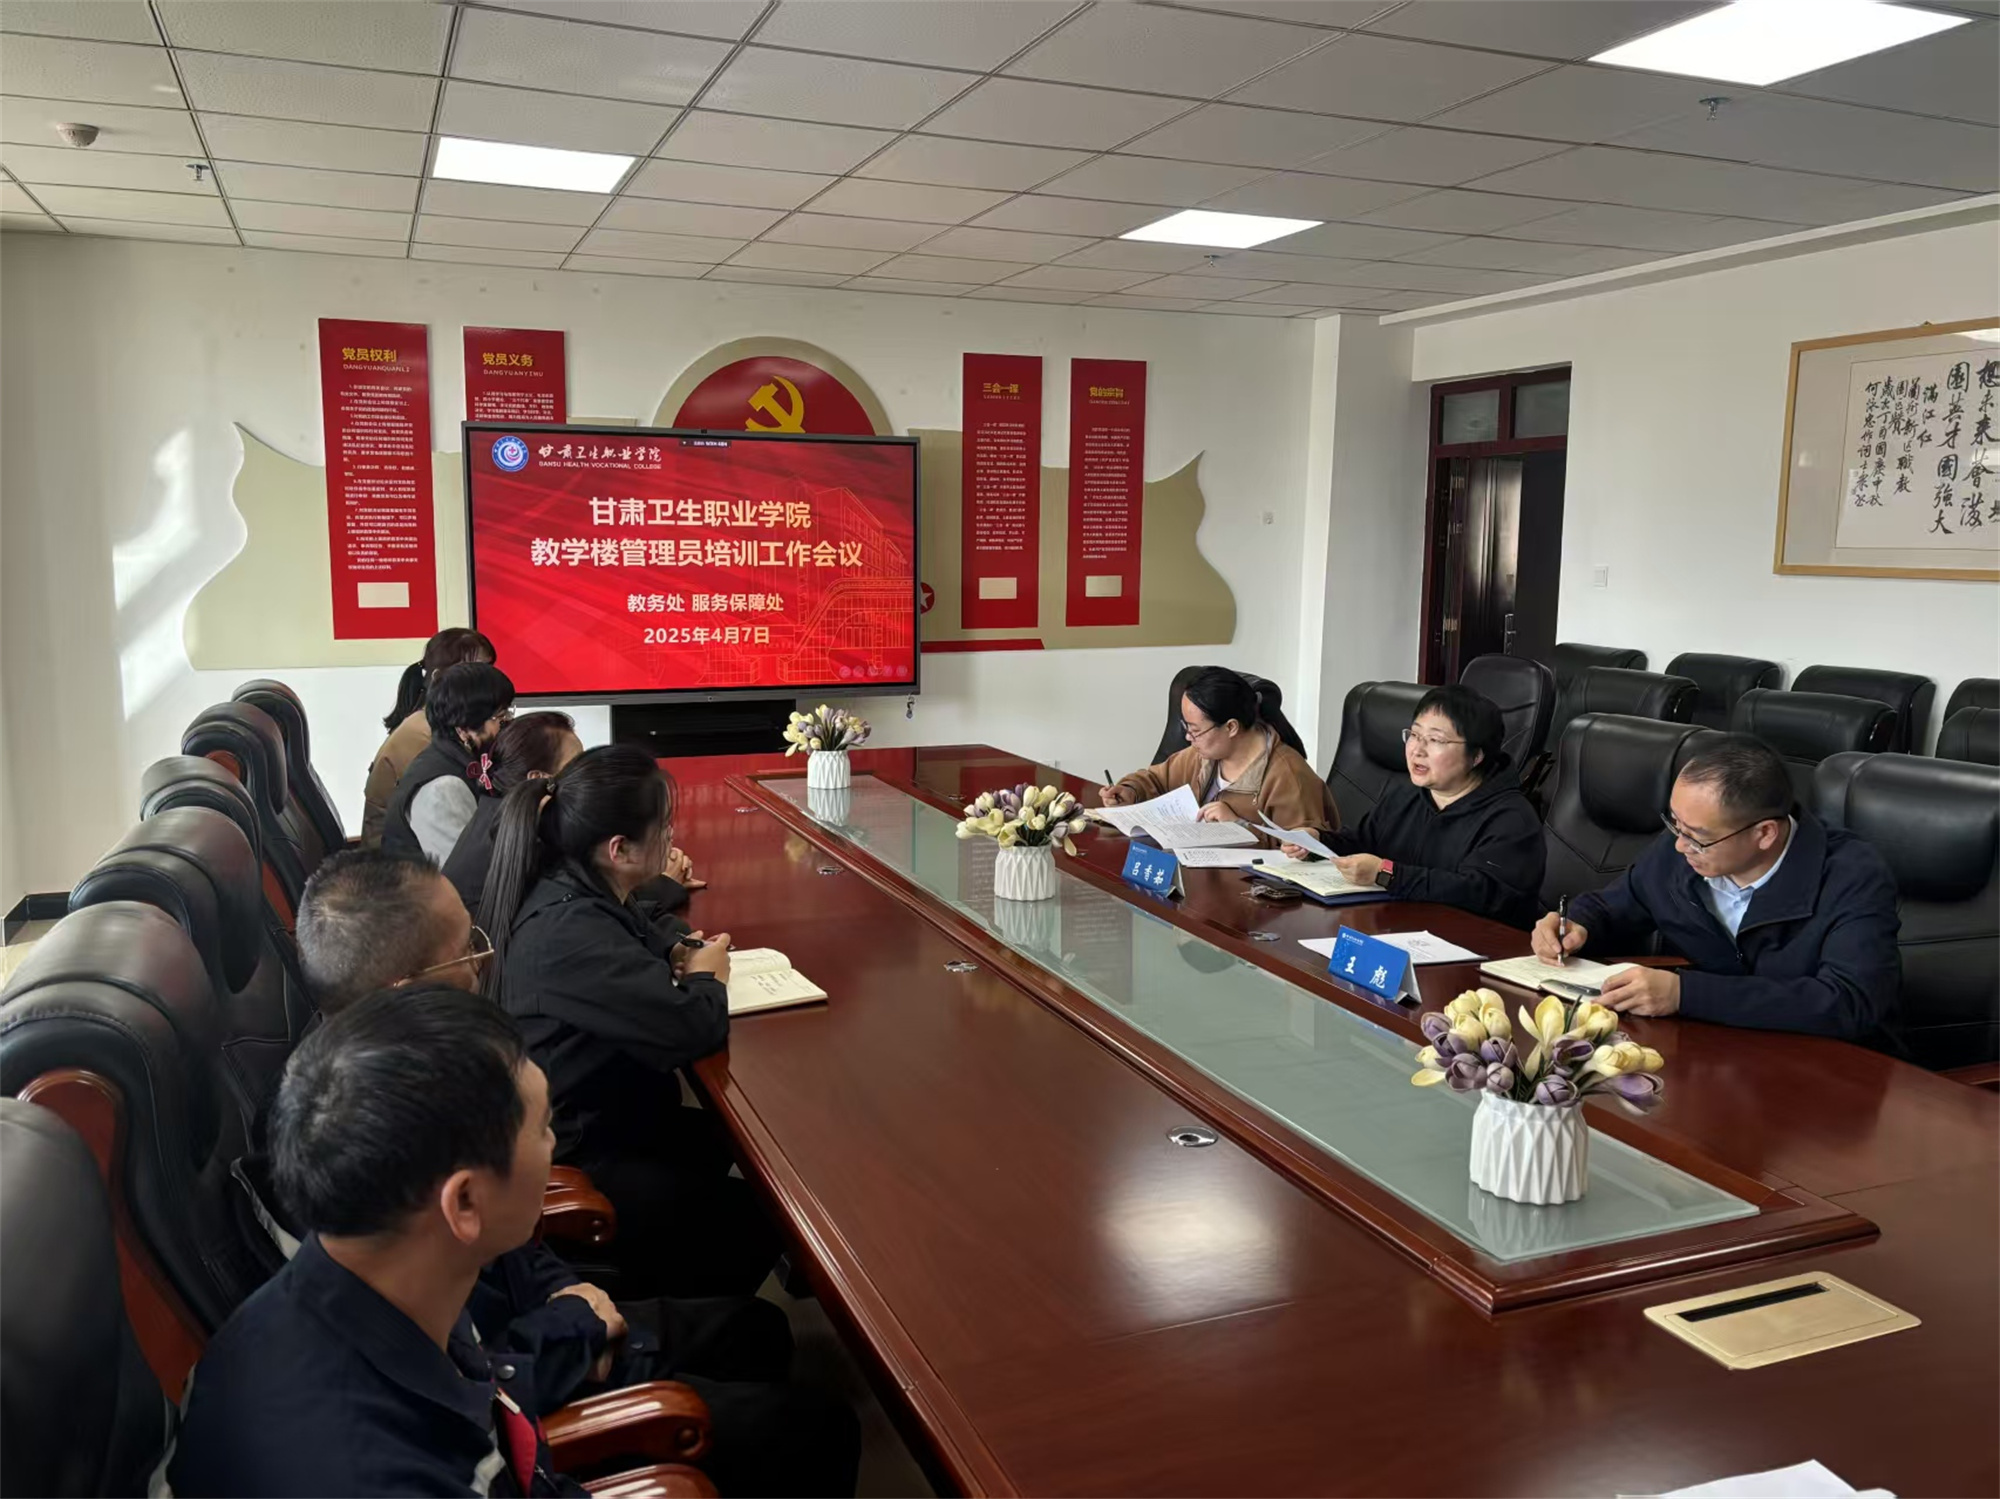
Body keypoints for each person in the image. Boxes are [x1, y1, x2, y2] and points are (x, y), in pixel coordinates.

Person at [276, 851, 860, 1495]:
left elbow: (496, 1273)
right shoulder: (377, 1136)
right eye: (542, 1132)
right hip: (522, 1395)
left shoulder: (397, 1078)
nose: (484, 962)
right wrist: (572, 1328)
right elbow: (470, 1389)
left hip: (521, 1333)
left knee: (760, 1333)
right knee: (818, 1426)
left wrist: (564, 1291)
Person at [168, 987, 591, 1495]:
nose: (553, 1145)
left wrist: (573, 1335)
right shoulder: (369, 1477)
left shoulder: (371, 1275)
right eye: (544, 1127)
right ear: (463, 1202)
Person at [480, 744, 781, 1298]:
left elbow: (637, 925)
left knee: (723, 1143)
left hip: (598, 1110)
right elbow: (692, 1029)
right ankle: (697, 1316)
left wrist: (676, 948)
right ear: (618, 849)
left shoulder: (569, 881)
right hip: (580, 1150)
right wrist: (707, 979)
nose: (672, 838)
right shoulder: (568, 934)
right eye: (664, 828)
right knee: (761, 1217)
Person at [1529, 734, 1903, 1047]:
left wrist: (1685, 994)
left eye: (1697, 837)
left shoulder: (1851, 875)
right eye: (1675, 825)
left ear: (1765, 834)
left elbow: (1849, 1002)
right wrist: (1576, 924)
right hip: (1716, 1048)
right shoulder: (1685, 847)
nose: (1680, 845)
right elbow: (1616, 905)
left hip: (1828, 1067)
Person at [1281, 685, 1544, 927]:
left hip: (1474, 945)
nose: (1417, 750)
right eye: (1415, 735)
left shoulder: (1511, 819)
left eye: (1436, 740)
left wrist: (1386, 874)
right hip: (1398, 929)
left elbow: (1478, 893)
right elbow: (1363, 842)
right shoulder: (1405, 795)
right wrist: (1317, 842)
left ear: (1476, 756)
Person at [447, 712, 705, 918]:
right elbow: (588, 908)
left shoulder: (503, 810)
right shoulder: (520, 836)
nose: (584, 775)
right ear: (538, 777)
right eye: (575, 765)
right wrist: (662, 882)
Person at [1102, 667, 1339, 834]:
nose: (1188, 737)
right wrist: (1130, 791)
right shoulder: (1203, 756)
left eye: (1195, 730)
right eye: (1186, 727)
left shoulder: (1288, 777)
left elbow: (1302, 850)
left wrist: (1238, 827)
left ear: (1231, 727)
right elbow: (1155, 778)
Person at [362, 627, 495, 847]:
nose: (489, 682)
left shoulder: (433, 724)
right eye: (474, 672)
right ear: (438, 678)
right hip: (395, 861)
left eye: (489, 670)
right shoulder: (425, 735)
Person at [381, 660, 515, 866]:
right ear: (464, 728)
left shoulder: (449, 758)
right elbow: (467, 873)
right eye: (500, 717)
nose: (508, 724)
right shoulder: (443, 789)